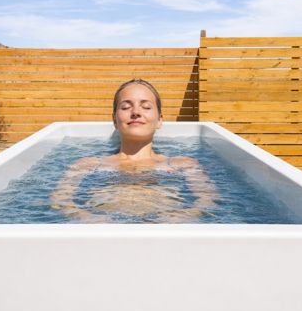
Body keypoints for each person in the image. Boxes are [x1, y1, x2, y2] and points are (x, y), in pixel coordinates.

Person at [50, 79, 218, 222]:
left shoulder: (183, 165)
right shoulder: (87, 165)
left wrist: (183, 216)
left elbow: (208, 200)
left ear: (160, 120)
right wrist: (87, 218)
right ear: (114, 120)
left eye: (146, 107)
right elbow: (60, 200)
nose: (136, 112)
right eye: (125, 107)